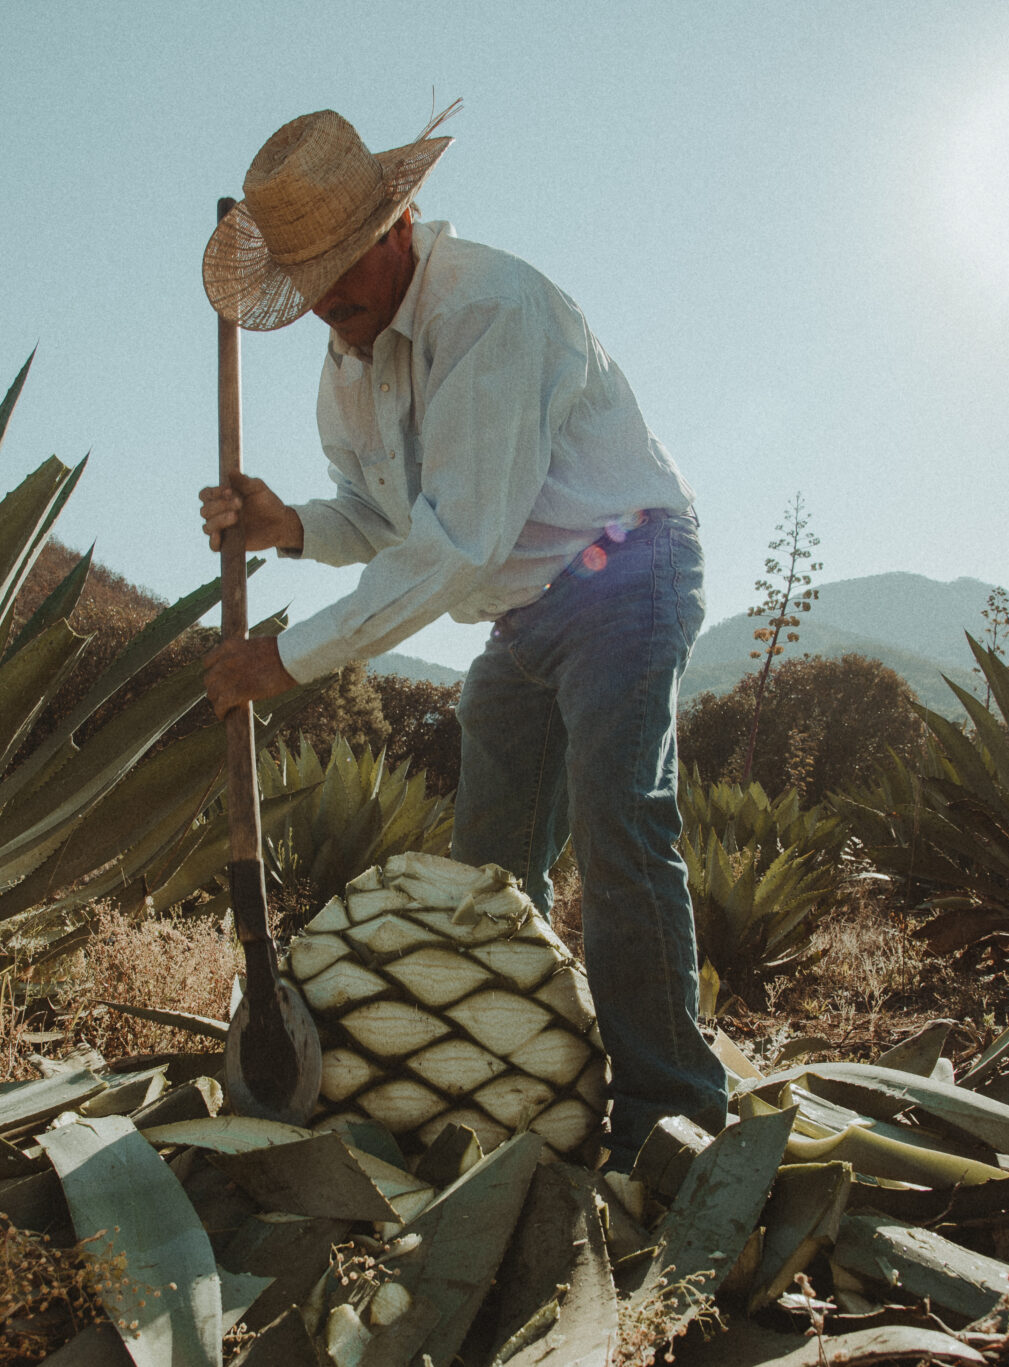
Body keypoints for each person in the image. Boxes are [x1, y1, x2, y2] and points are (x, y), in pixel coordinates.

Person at [197, 106, 726, 1170]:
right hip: (523, 612)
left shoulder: (488, 308)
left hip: (623, 571)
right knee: (488, 872)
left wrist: (283, 660)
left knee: (618, 821)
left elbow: (455, 544)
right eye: (306, 286)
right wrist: (287, 526)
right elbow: (388, 521)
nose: (329, 302)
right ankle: (509, 1080)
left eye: (343, 268)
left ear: (400, 222)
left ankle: (671, 1113)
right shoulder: (348, 366)